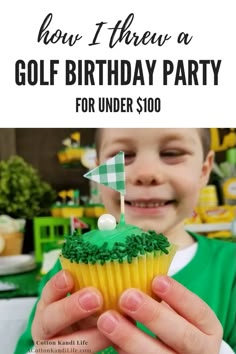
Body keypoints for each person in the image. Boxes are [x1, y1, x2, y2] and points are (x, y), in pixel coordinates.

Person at [15, 128, 236, 354]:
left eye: (171, 153)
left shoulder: (231, 271)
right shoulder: (67, 272)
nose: (146, 173)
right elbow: (32, 345)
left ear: (204, 169)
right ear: (98, 167)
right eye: (122, 155)